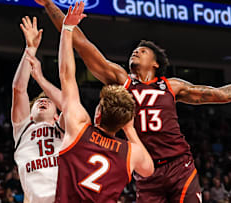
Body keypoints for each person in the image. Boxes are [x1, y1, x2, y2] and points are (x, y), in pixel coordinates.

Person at [34, 1, 231, 202]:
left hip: (178, 165)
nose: (135, 52)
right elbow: (81, 43)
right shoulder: (120, 79)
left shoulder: (172, 86)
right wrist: (48, 4)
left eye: (143, 51)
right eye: (134, 50)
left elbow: (221, 94)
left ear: (156, 62)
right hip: (145, 170)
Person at [26, 3, 154, 202]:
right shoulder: (131, 153)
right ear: (124, 122)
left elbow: (66, 75)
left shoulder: (78, 128)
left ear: (98, 113)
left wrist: (67, 28)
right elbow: (148, 169)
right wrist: (129, 129)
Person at [11, 16, 64, 203]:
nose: (43, 101)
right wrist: (30, 50)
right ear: (30, 115)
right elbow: (19, 90)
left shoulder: (64, 128)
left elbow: (69, 104)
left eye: (48, 101)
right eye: (38, 103)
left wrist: (41, 79)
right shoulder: (24, 129)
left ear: (57, 116)